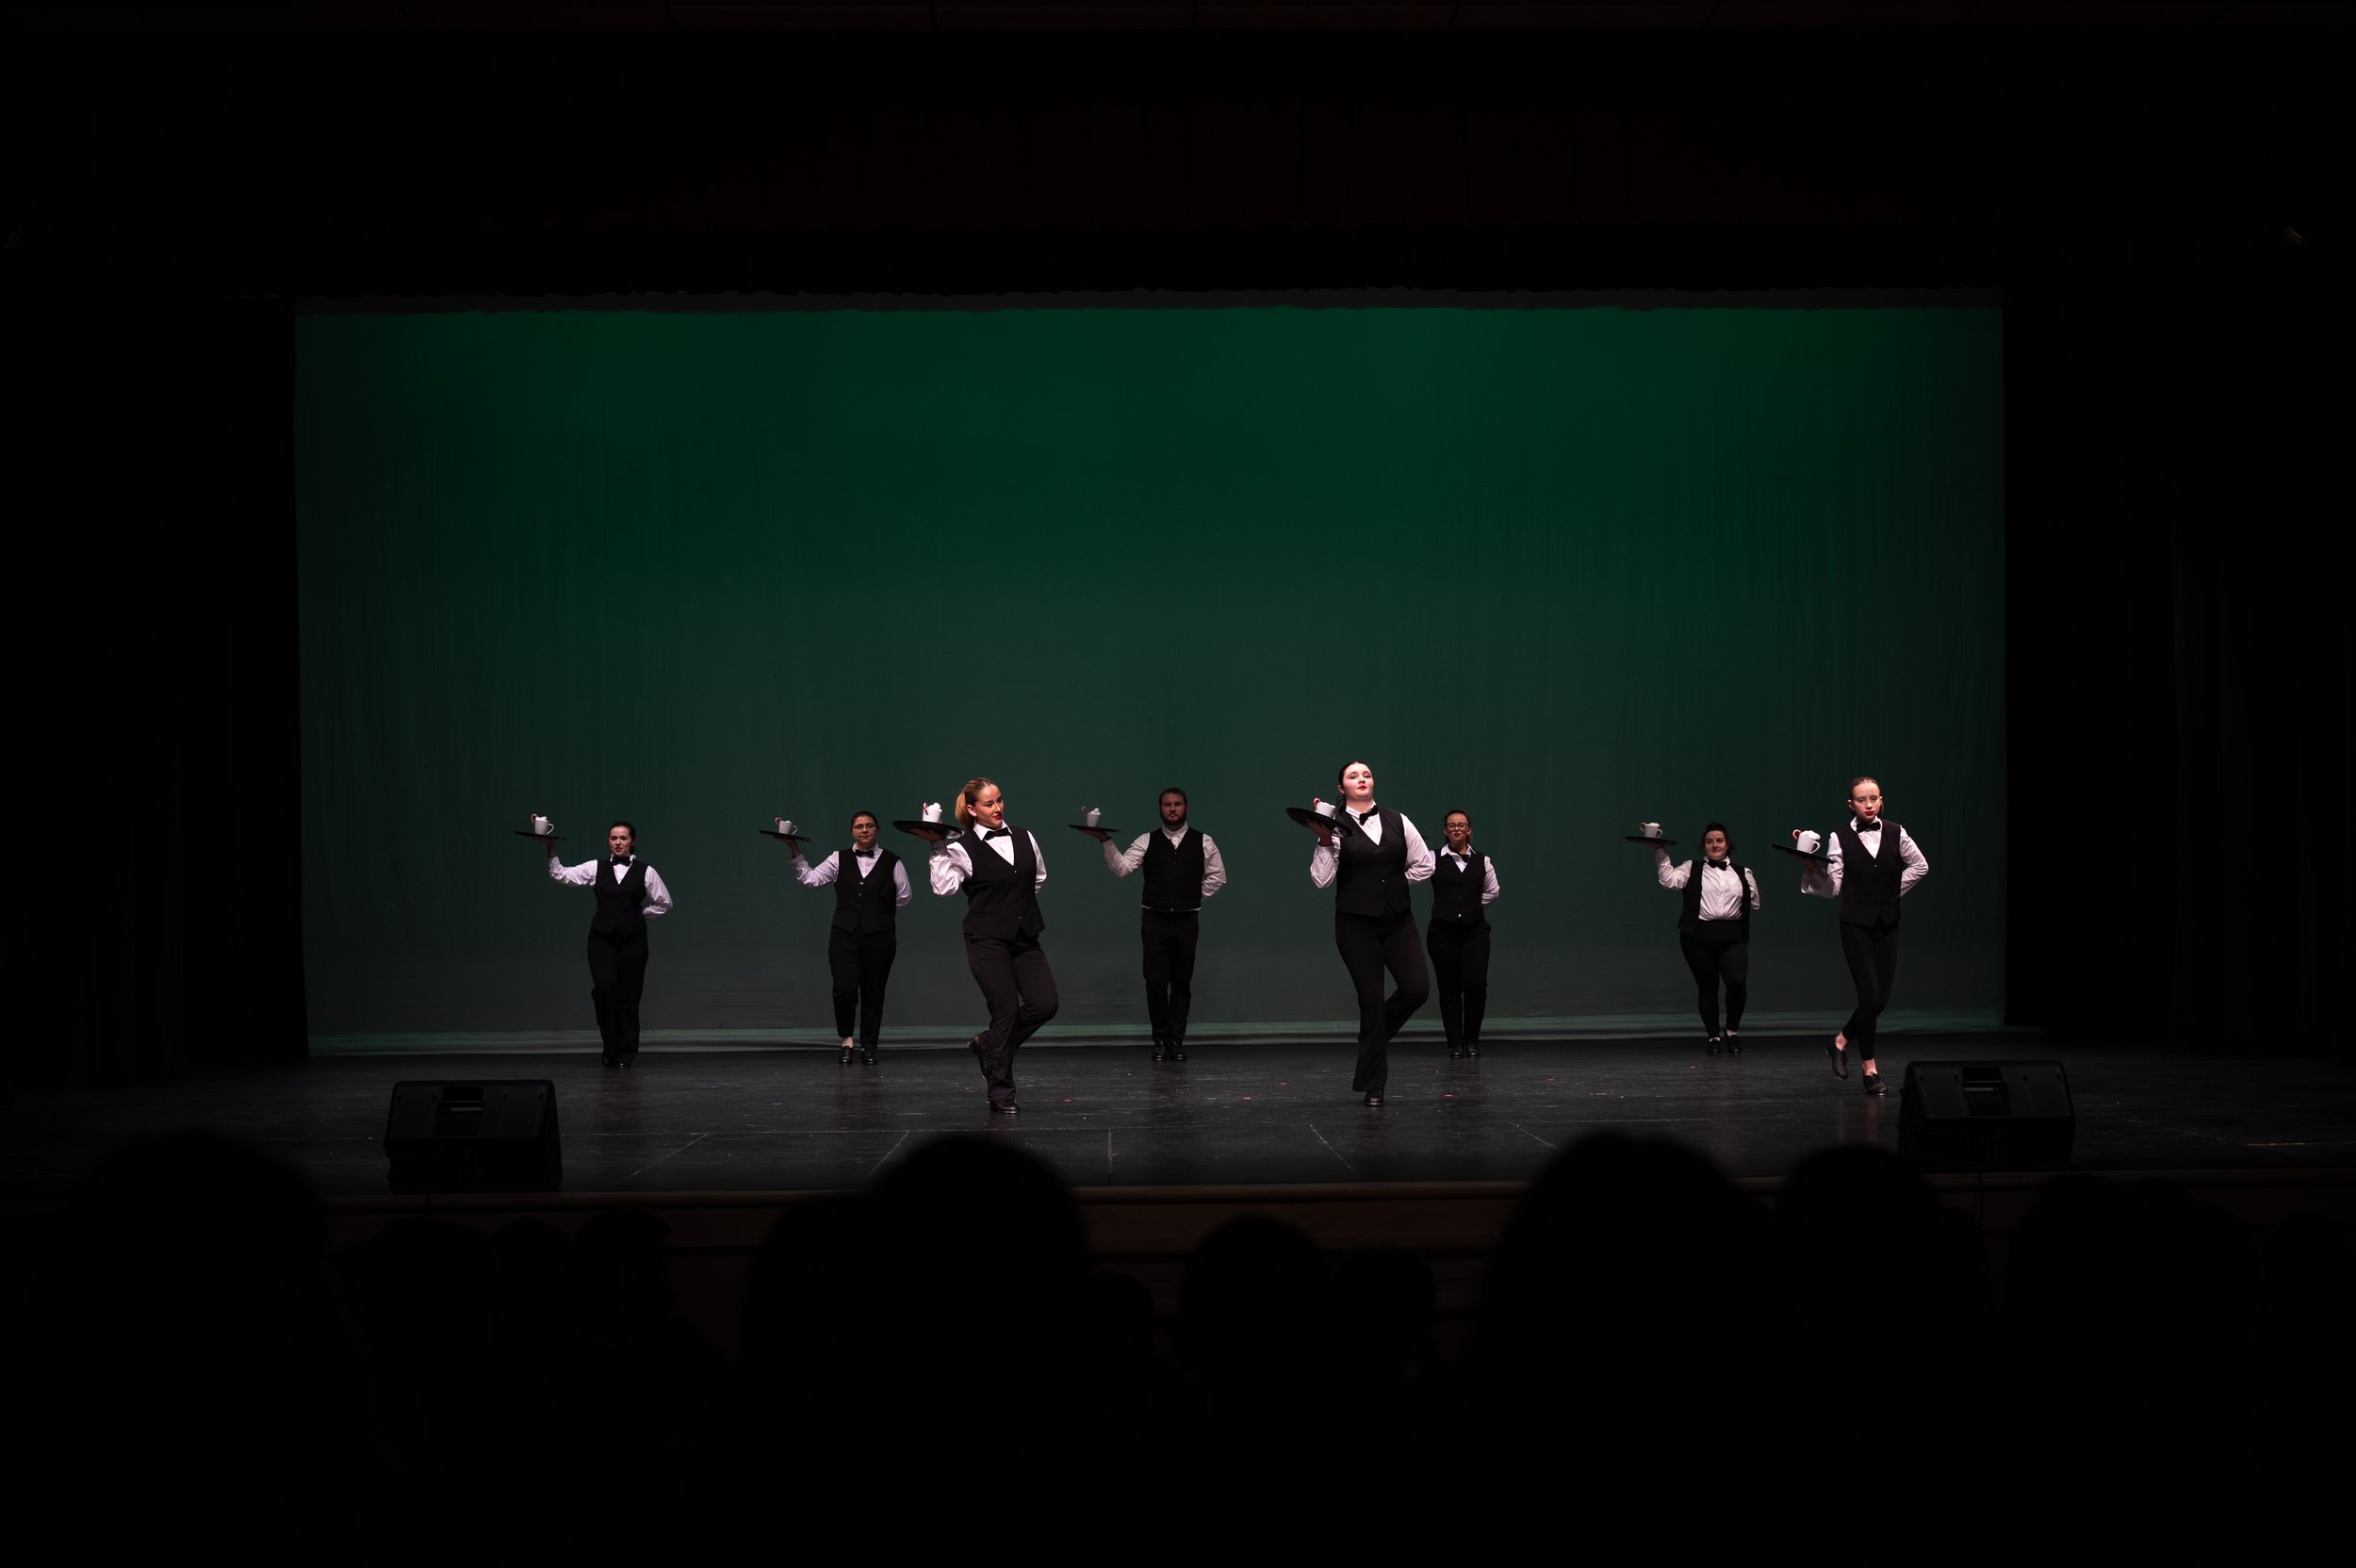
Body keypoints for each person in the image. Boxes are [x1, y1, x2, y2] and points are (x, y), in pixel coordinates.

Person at [1307, 760, 1435, 1106]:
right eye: (1353, 776)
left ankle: (1371, 1036)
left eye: (1366, 774)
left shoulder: (1398, 819)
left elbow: (1425, 863)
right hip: (1355, 925)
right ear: (1341, 788)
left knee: (1417, 988)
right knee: (1372, 1000)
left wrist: (1394, 884)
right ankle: (1374, 1084)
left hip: (1397, 918)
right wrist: (1322, 839)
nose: (1361, 779)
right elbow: (1321, 880)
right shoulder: (1333, 827)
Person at [927, 777, 1058, 1114]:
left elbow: (1037, 877)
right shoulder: (960, 846)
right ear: (972, 810)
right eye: (989, 804)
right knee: (1006, 1010)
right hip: (986, 940)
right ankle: (1001, 1091)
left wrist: (1015, 907)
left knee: (1045, 1004)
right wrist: (936, 846)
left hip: (1024, 936)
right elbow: (943, 889)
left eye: (999, 800)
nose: (998, 808)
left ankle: (988, 1045)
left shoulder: (1024, 835)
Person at [1795, 776, 1930, 1095]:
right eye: (1861, 800)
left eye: (1873, 798)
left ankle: (1839, 1041)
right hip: (1855, 925)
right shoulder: (1839, 837)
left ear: (1881, 801)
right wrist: (1812, 869)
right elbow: (1833, 888)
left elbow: (1920, 866)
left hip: (1887, 923)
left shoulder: (1897, 832)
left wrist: (1887, 894)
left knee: (1880, 1000)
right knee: (1869, 997)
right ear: (1850, 805)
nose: (1868, 804)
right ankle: (1870, 1069)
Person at [1083, 788, 1229, 1063]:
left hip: (1186, 920)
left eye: (1177, 804)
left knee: (1182, 983)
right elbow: (1123, 868)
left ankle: (1176, 1041)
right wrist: (1105, 840)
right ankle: (1160, 1041)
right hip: (1154, 921)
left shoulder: (1203, 841)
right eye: (1166, 805)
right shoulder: (1146, 840)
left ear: (1186, 807)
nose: (1172, 809)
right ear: (1160, 809)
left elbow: (1218, 878)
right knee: (1156, 983)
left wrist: (1192, 895)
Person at [543, 819, 674, 1069]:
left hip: (633, 941)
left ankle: (626, 1053)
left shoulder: (646, 871)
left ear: (632, 842)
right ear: (608, 842)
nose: (618, 842)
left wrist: (638, 914)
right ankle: (610, 1046)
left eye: (623, 838)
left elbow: (664, 903)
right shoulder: (596, 867)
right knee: (605, 988)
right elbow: (561, 875)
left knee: (629, 996)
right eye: (613, 838)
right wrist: (550, 846)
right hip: (601, 938)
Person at [787, 811, 913, 1066]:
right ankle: (846, 1040)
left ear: (876, 829)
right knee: (844, 990)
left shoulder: (892, 861)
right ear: (852, 831)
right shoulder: (838, 858)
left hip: (880, 937)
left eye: (869, 826)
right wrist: (794, 848)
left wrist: (877, 913)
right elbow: (811, 879)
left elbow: (904, 896)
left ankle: (869, 1046)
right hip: (844, 935)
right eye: (859, 826)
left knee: (873, 992)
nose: (864, 830)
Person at [1652, 823, 1759, 1054]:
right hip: (1698, 937)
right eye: (1710, 841)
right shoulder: (1692, 868)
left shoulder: (1744, 873)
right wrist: (1659, 850)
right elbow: (1668, 880)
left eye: (1719, 840)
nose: (1715, 845)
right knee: (1707, 987)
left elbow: (1754, 903)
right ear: (1704, 845)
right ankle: (1713, 1037)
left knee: (1737, 982)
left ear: (1727, 844)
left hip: (1732, 936)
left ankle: (1732, 1032)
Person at [1425, 809, 1501, 1060]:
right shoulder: (1432, 858)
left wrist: (1467, 905)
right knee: (1449, 988)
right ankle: (1456, 1042)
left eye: (1462, 825)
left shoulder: (1483, 861)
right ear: (1445, 831)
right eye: (1451, 825)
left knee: (1476, 984)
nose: (1457, 829)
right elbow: (1413, 874)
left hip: (1474, 931)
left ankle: (1472, 1040)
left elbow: (1492, 891)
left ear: (1469, 830)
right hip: (1442, 932)